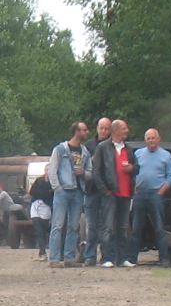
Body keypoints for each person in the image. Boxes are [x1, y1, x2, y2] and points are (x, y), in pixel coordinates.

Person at [131, 127, 171, 265]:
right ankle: (132, 259)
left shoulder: (166, 155)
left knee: (159, 228)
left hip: (156, 194)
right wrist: (133, 186)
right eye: (148, 138)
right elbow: (132, 172)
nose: (151, 140)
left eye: (153, 138)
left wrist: (161, 191)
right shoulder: (138, 154)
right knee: (136, 228)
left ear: (158, 139)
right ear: (145, 140)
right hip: (140, 194)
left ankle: (164, 258)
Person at [48, 122, 88, 267]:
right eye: (84, 130)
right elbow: (52, 170)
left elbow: (90, 171)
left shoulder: (85, 152)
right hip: (63, 191)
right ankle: (54, 258)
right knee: (57, 225)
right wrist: (57, 188)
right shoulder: (60, 150)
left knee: (73, 226)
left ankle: (69, 257)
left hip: (78, 192)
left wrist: (84, 173)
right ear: (76, 132)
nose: (87, 132)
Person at [99, 119, 135, 266]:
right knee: (108, 227)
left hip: (126, 193)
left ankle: (123, 258)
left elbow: (137, 167)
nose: (127, 131)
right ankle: (107, 258)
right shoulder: (103, 147)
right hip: (111, 193)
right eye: (125, 128)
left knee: (123, 227)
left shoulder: (129, 149)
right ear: (116, 131)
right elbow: (97, 171)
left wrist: (132, 168)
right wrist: (105, 190)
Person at [82, 114, 114, 266]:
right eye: (101, 128)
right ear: (97, 129)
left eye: (106, 129)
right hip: (91, 190)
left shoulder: (114, 146)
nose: (103, 131)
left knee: (108, 226)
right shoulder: (88, 146)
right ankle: (89, 256)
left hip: (108, 190)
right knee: (91, 226)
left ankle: (107, 256)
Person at [27, 172, 54, 258]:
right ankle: (42, 251)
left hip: (46, 207)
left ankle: (44, 250)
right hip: (36, 205)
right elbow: (32, 192)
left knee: (44, 229)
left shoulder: (53, 182)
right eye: (47, 169)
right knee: (38, 229)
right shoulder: (39, 180)